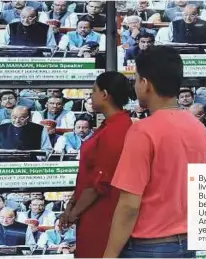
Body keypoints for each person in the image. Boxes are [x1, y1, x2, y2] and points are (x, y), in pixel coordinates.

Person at [103, 46, 206, 258]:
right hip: (187, 244)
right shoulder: (199, 128)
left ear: (145, 84)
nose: (135, 85)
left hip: (147, 247)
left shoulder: (142, 131)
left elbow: (129, 205)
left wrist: (109, 255)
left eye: (135, 79)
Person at [58, 71, 135, 258]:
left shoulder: (118, 129)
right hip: (90, 212)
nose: (91, 96)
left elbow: (101, 181)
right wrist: (71, 205)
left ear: (105, 94)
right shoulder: (108, 126)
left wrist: (73, 213)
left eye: (94, 91)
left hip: (102, 216)